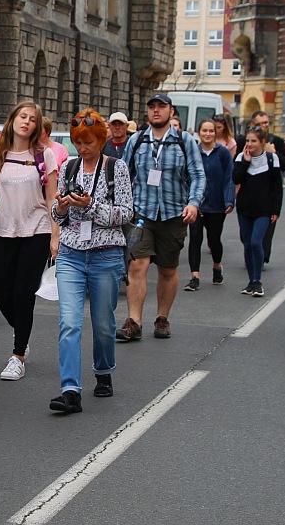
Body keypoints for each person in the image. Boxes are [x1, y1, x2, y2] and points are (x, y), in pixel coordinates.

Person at [49, 112, 132, 413]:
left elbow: (126, 213)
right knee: (69, 323)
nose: (82, 148)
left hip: (106, 254)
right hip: (71, 253)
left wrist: (91, 205)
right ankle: (70, 390)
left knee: (103, 323)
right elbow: (57, 214)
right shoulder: (68, 167)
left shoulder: (116, 168)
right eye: (78, 143)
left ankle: (103, 370)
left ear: (101, 140)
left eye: (88, 143)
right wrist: (61, 207)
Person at [0, 101, 59, 381]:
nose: (26, 122)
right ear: (12, 119)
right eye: (22, 116)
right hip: (3, 230)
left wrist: (56, 235)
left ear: (37, 126)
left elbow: (52, 199)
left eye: (32, 119)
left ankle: (18, 355)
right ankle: (22, 332)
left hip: (36, 230)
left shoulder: (44, 155)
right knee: (2, 294)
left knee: (23, 294)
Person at [117, 93, 205, 341]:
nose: (156, 110)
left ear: (171, 111)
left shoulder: (184, 141)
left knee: (167, 269)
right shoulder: (137, 140)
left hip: (174, 213)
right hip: (142, 213)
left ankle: (162, 318)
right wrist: (123, 206)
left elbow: (198, 175)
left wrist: (193, 203)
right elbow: (123, 174)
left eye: (161, 107)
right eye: (152, 106)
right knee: (137, 264)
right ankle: (134, 322)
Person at [231, 126, 284, 297]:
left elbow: (277, 187)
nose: (249, 144)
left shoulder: (271, 159)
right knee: (247, 244)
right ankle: (251, 281)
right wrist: (246, 162)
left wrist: (276, 209)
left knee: (256, 242)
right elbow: (236, 179)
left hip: (264, 210)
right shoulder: (241, 157)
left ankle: (257, 280)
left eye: (253, 141)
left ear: (262, 142)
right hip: (244, 209)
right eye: (247, 140)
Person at [184, 119, 234, 291]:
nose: (207, 134)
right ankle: (194, 276)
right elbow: (186, 177)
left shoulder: (223, 153)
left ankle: (217, 266)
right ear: (199, 132)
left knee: (214, 240)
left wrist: (229, 200)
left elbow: (229, 177)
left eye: (211, 131)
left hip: (217, 203)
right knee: (195, 238)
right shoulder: (193, 152)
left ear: (216, 133)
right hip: (196, 204)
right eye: (204, 130)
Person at [234, 111, 285, 265]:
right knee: (247, 238)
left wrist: (274, 152)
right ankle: (252, 256)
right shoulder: (243, 141)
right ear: (252, 124)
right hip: (247, 200)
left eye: (266, 123)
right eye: (260, 124)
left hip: (267, 198)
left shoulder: (276, 141)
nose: (264, 126)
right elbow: (236, 172)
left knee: (261, 237)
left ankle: (261, 258)